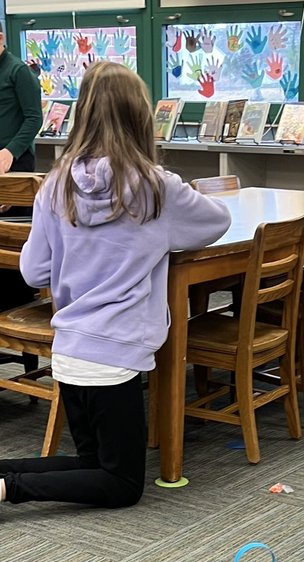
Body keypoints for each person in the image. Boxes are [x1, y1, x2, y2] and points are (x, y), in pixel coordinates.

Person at [0, 60, 231, 511]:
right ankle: (10, 489)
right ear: (140, 117)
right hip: (117, 356)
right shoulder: (156, 188)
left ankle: (5, 477)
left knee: (92, 461)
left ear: (81, 113)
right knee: (122, 485)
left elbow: (33, 273)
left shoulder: (54, 186)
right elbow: (216, 222)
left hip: (68, 351)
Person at [0, 20, 43, 318]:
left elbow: (33, 118)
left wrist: (9, 151)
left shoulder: (18, 71)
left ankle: (17, 305)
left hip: (15, 163)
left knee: (15, 236)